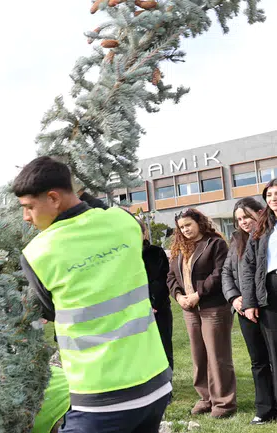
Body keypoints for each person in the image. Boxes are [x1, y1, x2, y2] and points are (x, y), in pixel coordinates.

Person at [16, 156, 171, 433]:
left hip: (100, 396)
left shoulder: (38, 252)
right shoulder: (123, 223)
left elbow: (50, 311)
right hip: (156, 382)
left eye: (28, 207)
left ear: (53, 198)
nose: (26, 217)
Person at [167, 208, 235, 418]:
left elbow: (219, 273)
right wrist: (178, 296)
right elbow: (171, 276)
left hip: (213, 306)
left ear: (199, 222)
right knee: (199, 356)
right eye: (182, 227)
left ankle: (223, 403)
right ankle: (206, 398)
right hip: (189, 309)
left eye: (188, 225)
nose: (185, 230)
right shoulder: (179, 248)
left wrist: (198, 294)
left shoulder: (215, 243)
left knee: (217, 356)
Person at [224, 197, 274, 424]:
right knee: (258, 360)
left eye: (247, 217)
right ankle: (264, 408)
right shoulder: (236, 241)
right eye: (239, 219)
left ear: (259, 212)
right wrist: (234, 298)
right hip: (245, 309)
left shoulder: (268, 236)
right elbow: (227, 273)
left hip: (267, 303)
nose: (243, 222)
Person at [242, 179, 277, 423]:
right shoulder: (262, 228)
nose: (274, 197)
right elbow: (248, 267)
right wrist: (250, 302)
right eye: (270, 194)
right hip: (270, 292)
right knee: (275, 354)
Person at [138, 219, 174, 372]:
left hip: (159, 310)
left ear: (144, 232)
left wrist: (154, 304)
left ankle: (167, 384)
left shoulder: (156, 252)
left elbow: (162, 280)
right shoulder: (122, 255)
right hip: (135, 311)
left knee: (163, 348)